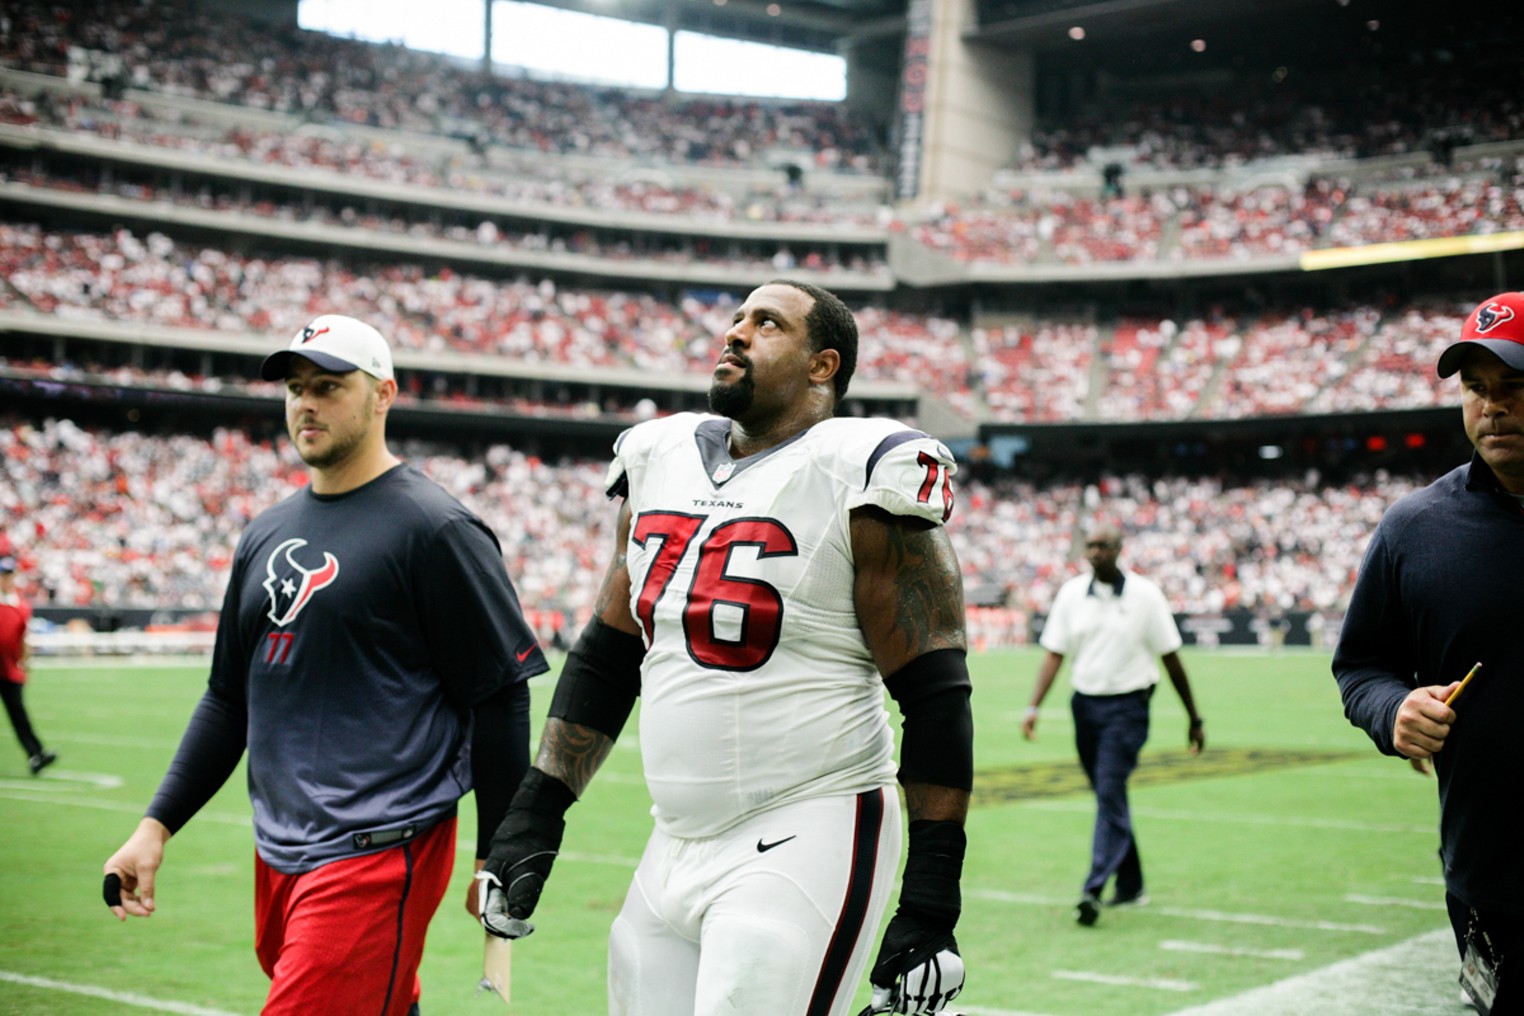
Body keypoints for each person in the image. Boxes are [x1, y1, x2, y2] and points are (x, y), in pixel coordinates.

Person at [475, 280, 974, 1016]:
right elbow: (610, 656)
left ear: (822, 366)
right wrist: (535, 811)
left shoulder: (860, 469)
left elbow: (935, 694)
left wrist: (932, 898)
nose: (735, 333)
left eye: (766, 323)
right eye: (736, 319)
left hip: (811, 821)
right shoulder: (658, 458)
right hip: (673, 840)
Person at [101, 314, 548, 1016]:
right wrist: (153, 827)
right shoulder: (265, 532)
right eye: (296, 388)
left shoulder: (436, 530)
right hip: (280, 849)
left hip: (377, 850)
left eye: (330, 386)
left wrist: (496, 852)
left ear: (383, 395)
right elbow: (227, 700)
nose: (306, 403)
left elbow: (500, 694)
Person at [1335, 291, 1524, 1012]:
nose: (1492, 406)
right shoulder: (1415, 528)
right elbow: (1360, 667)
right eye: (1477, 389)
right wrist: (1395, 710)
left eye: (1515, 387)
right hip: (1492, 881)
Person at [1021, 520, 1203, 927]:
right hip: (1084, 707)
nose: (1095, 552)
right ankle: (1132, 884)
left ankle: (1093, 889)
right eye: (1091, 546)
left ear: (1120, 549)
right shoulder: (1071, 594)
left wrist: (1193, 717)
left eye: (1103, 546)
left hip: (1129, 708)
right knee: (1110, 795)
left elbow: (1171, 657)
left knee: (1108, 789)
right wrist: (1033, 706)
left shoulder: (1145, 596)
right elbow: (1054, 653)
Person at [0, 555, 56, 775]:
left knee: (18, 714)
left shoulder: (20, 606)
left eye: (8, 574)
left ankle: (36, 754)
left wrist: (25, 664)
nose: (6, 579)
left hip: (9, 669)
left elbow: (24, 638)